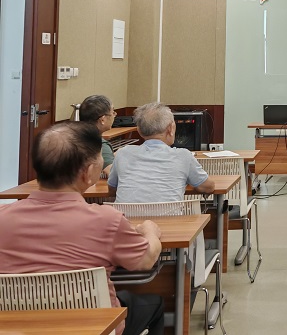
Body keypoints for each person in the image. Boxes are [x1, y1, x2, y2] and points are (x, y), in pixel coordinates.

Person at [0, 121, 164, 335]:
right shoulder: (107, 220)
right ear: (87, 172)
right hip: (94, 329)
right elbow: (146, 260)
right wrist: (150, 231)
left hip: (17, 329)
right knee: (154, 304)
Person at [108, 102, 215, 202]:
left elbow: (112, 189)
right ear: (171, 128)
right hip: (170, 216)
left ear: (139, 131)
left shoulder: (122, 153)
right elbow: (208, 187)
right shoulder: (184, 156)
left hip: (126, 216)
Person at [78, 94, 117, 174]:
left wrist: (111, 155)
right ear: (102, 120)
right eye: (113, 112)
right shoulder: (99, 144)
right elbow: (113, 174)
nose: (115, 115)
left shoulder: (75, 137)